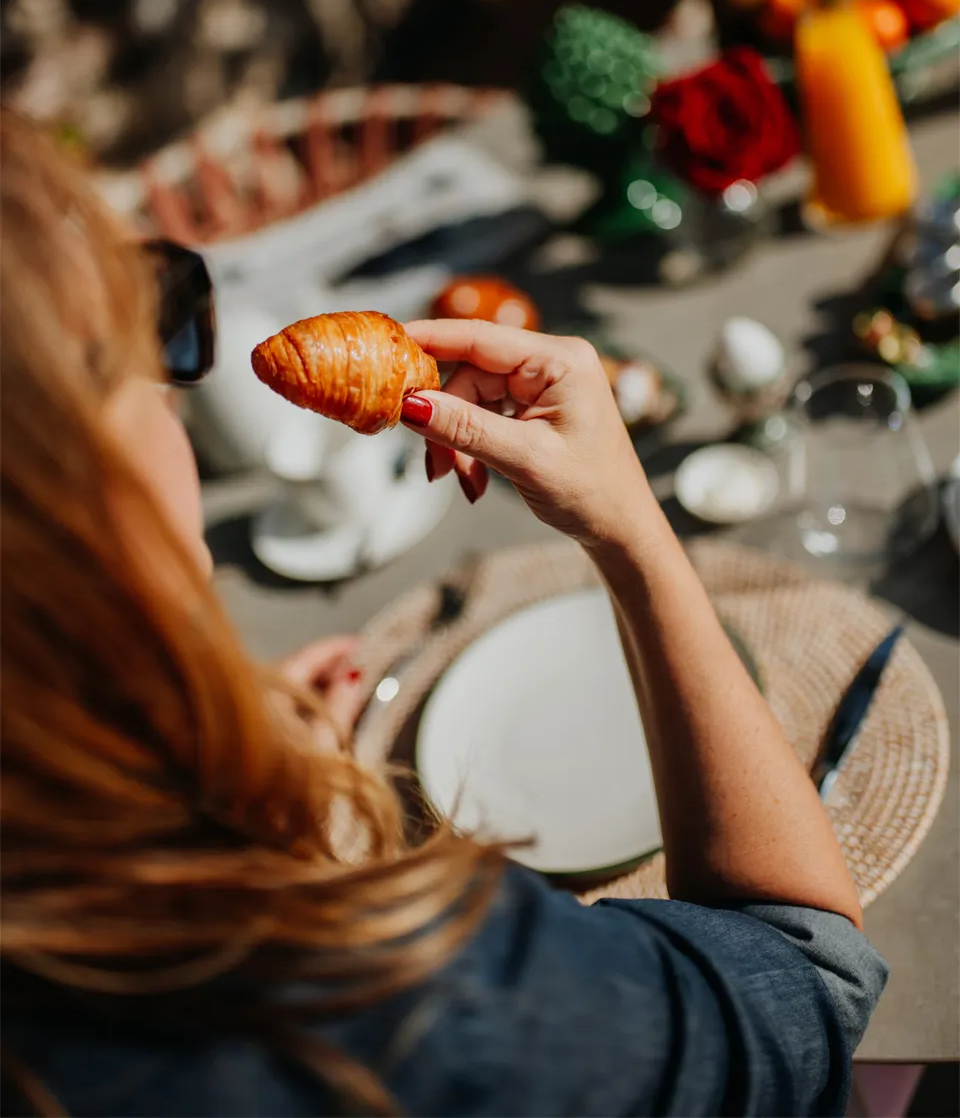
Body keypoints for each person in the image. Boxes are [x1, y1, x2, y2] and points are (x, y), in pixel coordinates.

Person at [1, 108, 886, 1118]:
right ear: (67, 494)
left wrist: (227, 747)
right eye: (144, 343)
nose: (176, 401)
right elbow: (808, 983)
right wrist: (631, 532)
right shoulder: (380, 991)